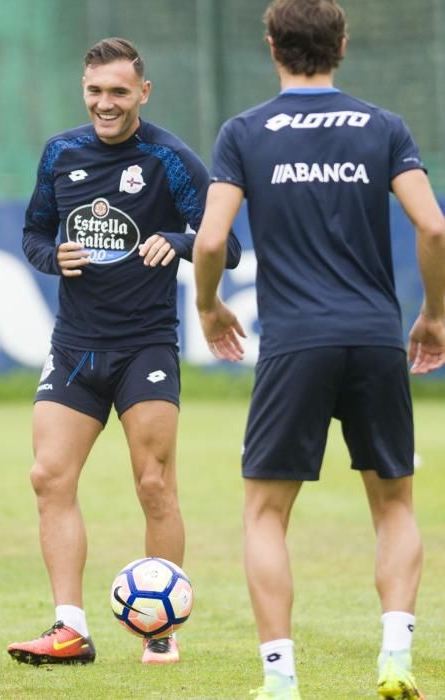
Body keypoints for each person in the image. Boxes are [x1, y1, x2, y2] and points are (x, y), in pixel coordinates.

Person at [193, 0, 445, 698]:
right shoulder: (382, 126)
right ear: (342, 42)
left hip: (295, 342)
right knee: (393, 504)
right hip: (370, 336)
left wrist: (208, 304)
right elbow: (432, 227)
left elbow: (210, 241)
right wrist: (433, 315)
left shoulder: (244, 132)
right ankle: (394, 656)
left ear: (271, 44)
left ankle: (280, 680)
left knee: (264, 513)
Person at [6, 37, 241, 666]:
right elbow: (33, 231)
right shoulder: (61, 152)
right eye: (94, 91)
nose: (104, 103)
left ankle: (159, 628)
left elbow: (227, 244)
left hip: (145, 347)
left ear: (143, 92)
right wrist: (50, 255)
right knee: (47, 476)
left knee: (154, 483)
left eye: (117, 91)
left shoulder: (169, 159)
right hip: (75, 347)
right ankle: (69, 629)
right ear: (83, 90)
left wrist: (178, 239)